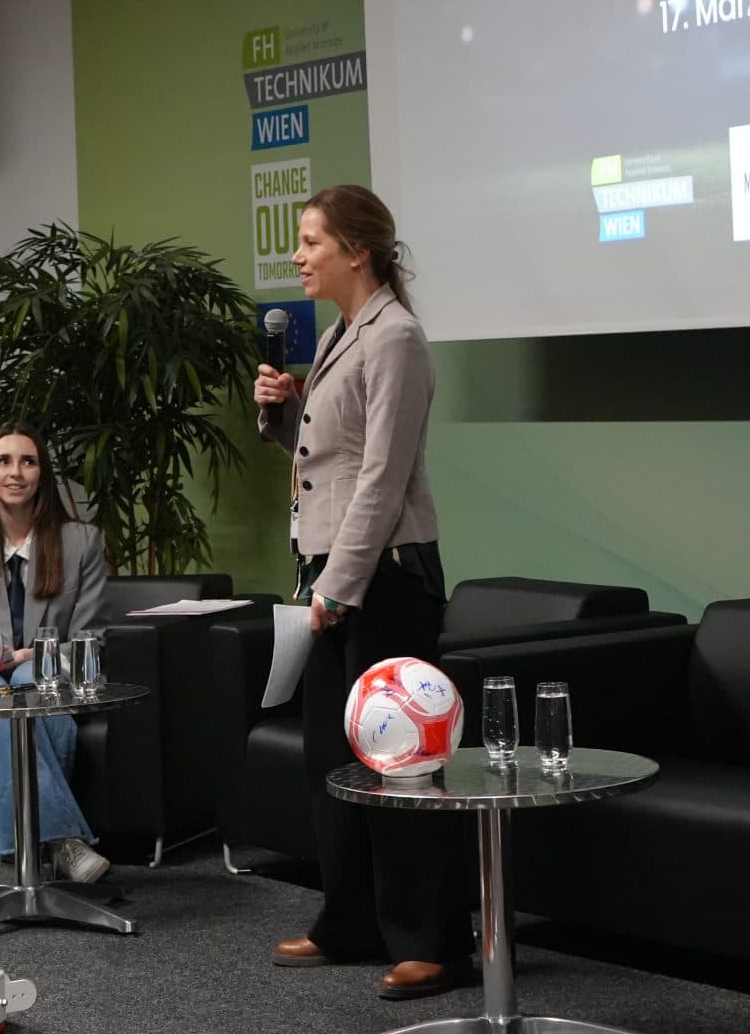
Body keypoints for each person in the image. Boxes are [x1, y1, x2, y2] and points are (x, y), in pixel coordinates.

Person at [255, 184, 468, 1000]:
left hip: (384, 579)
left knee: (399, 762)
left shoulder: (397, 336)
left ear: (358, 251)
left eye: (311, 241)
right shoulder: (347, 331)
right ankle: (349, 919)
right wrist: (284, 416)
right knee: (330, 760)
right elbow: (331, 461)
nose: (299, 254)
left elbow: (383, 475)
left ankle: (434, 942)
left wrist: (339, 588)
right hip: (334, 575)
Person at [0, 422, 112, 885]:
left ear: (42, 474)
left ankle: (24, 851)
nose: (15, 473)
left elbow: (90, 636)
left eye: (27, 461)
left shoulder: (80, 541)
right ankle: (65, 843)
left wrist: (36, 655)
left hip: (46, 676)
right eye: (3, 461)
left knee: (27, 684)